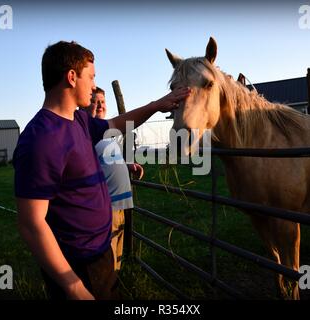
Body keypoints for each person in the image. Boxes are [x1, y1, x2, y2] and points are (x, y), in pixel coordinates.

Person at [13, 40, 190, 300]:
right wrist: (73, 286)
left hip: (99, 251)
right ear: (72, 77)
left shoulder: (78, 120)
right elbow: (31, 223)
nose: (95, 85)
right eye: (92, 77)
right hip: (78, 264)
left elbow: (117, 124)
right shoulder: (41, 139)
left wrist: (156, 105)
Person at [88, 87, 143, 272]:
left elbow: (108, 160)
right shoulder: (87, 133)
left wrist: (127, 166)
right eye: (94, 101)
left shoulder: (108, 134)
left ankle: (115, 285)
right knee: (108, 259)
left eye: (102, 101)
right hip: (107, 208)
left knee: (117, 255)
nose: (99, 105)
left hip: (120, 207)